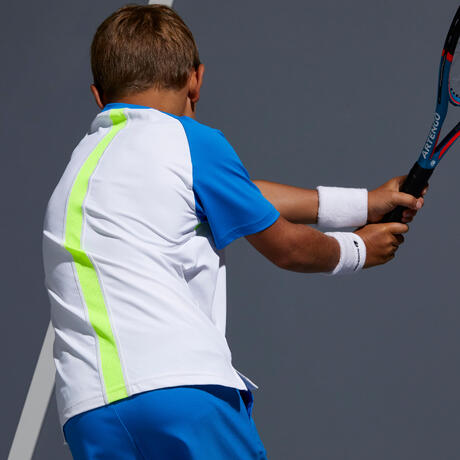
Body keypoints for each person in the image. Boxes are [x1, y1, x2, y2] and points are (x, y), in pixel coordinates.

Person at [41, 4, 424, 459]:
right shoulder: (190, 140)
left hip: (90, 413)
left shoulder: (79, 170)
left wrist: (364, 203)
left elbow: (237, 194)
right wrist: (359, 248)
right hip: (183, 392)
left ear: (98, 96)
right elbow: (288, 248)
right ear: (195, 80)